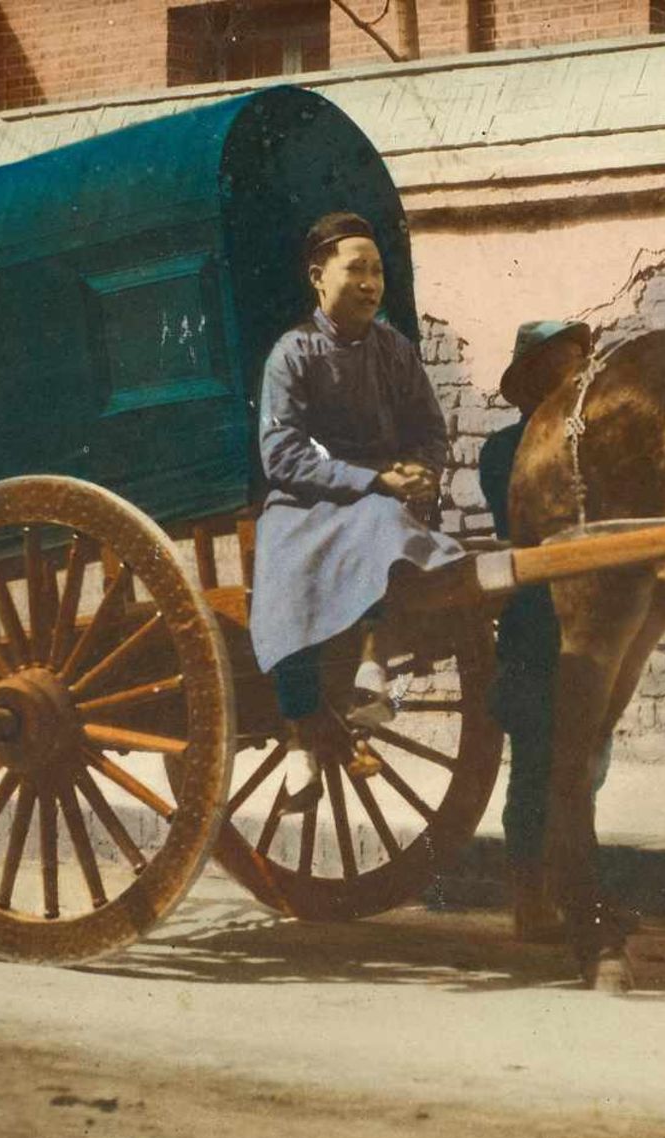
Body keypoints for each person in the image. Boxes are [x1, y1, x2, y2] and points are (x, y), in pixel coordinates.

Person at [250, 211, 462, 812]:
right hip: (305, 504)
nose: (370, 283)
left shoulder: (394, 349)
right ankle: (298, 741)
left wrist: (422, 470)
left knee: (384, 522)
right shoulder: (293, 354)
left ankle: (372, 669)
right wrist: (372, 479)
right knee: (304, 566)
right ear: (319, 277)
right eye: (355, 270)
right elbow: (282, 453)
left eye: (377, 270)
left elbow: (429, 429)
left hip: (383, 500)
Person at [479, 319, 595, 941]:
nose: (575, 375)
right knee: (534, 763)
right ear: (532, 381)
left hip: (582, 622)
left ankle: (573, 889)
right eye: (561, 365)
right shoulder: (504, 449)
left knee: (583, 764)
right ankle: (529, 897)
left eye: (580, 363)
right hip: (532, 623)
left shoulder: (588, 440)